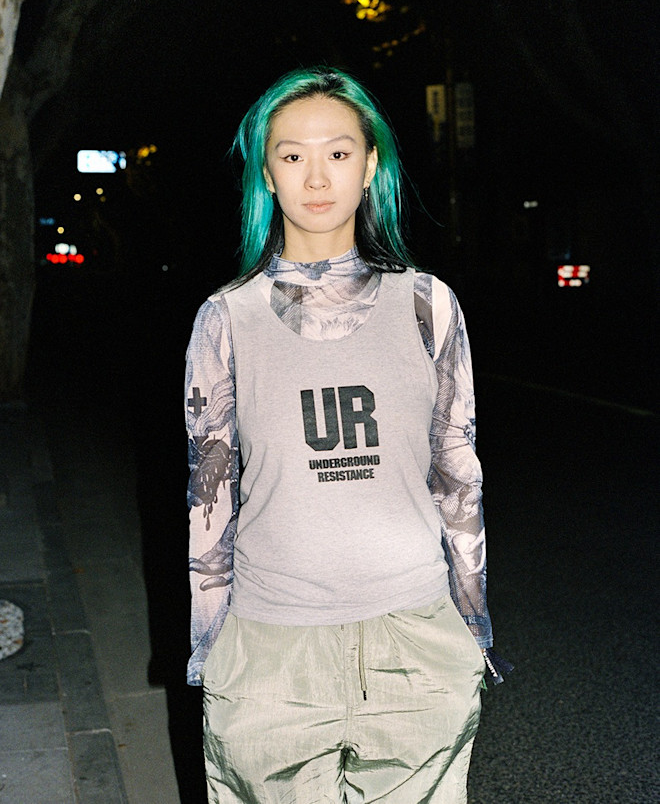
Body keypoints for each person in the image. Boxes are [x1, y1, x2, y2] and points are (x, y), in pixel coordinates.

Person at [186, 67, 505, 803]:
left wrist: (472, 629)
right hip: (272, 652)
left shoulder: (429, 305)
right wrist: (211, 646)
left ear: (371, 167)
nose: (316, 175)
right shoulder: (226, 318)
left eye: (338, 151)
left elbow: (459, 474)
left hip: (415, 641)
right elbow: (209, 495)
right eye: (292, 154)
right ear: (266, 173)